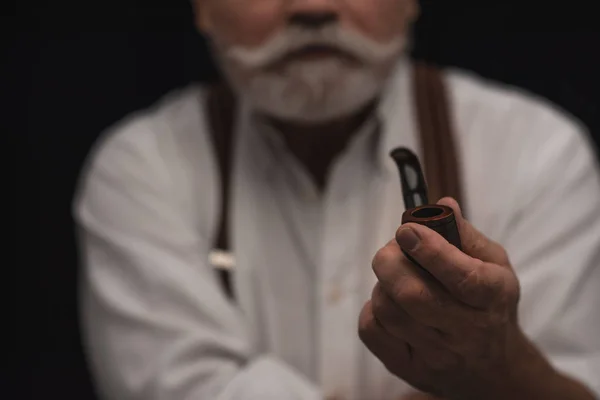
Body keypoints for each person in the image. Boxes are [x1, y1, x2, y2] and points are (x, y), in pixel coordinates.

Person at [73, 0, 600, 399]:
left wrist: (502, 363)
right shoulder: (142, 164)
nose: (313, 9)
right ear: (201, 8)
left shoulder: (537, 150)